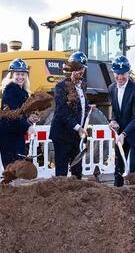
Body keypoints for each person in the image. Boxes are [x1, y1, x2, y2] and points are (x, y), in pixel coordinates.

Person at [49, 51, 91, 179]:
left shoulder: (82, 85)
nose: (80, 71)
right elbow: (62, 111)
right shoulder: (60, 87)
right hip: (62, 135)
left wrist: (89, 109)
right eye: (77, 68)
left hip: (76, 137)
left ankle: (76, 196)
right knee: (61, 172)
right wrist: (78, 127)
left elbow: (81, 106)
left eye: (82, 68)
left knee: (77, 170)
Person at [109, 55, 135, 187]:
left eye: (123, 74)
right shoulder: (111, 88)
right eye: (118, 74)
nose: (120, 77)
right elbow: (115, 110)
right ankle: (117, 192)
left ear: (128, 72)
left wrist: (124, 134)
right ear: (113, 72)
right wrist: (114, 121)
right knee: (119, 164)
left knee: (133, 165)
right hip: (122, 131)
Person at [0, 58, 37, 169]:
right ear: (11, 75)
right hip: (7, 133)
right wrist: (27, 127)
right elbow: (13, 113)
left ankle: (15, 186)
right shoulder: (10, 89)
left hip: (17, 133)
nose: (20, 77)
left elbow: (22, 113)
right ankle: (11, 186)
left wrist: (30, 118)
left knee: (18, 168)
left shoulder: (23, 92)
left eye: (23, 74)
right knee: (12, 169)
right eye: (17, 74)